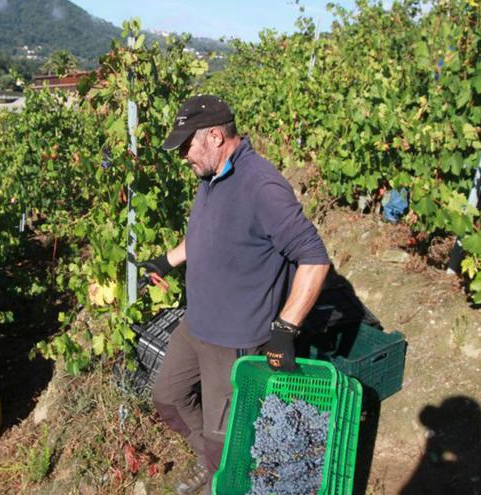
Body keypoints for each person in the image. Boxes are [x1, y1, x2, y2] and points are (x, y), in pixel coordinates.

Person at [143, 94, 331, 495]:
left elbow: (314, 257)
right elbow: (204, 236)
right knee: (168, 398)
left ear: (214, 136)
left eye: (186, 146)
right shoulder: (211, 177)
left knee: (222, 434)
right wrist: (165, 260)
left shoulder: (260, 184)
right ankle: (212, 464)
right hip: (197, 324)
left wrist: (285, 328)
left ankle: (224, 478)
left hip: (234, 340)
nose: (182, 157)